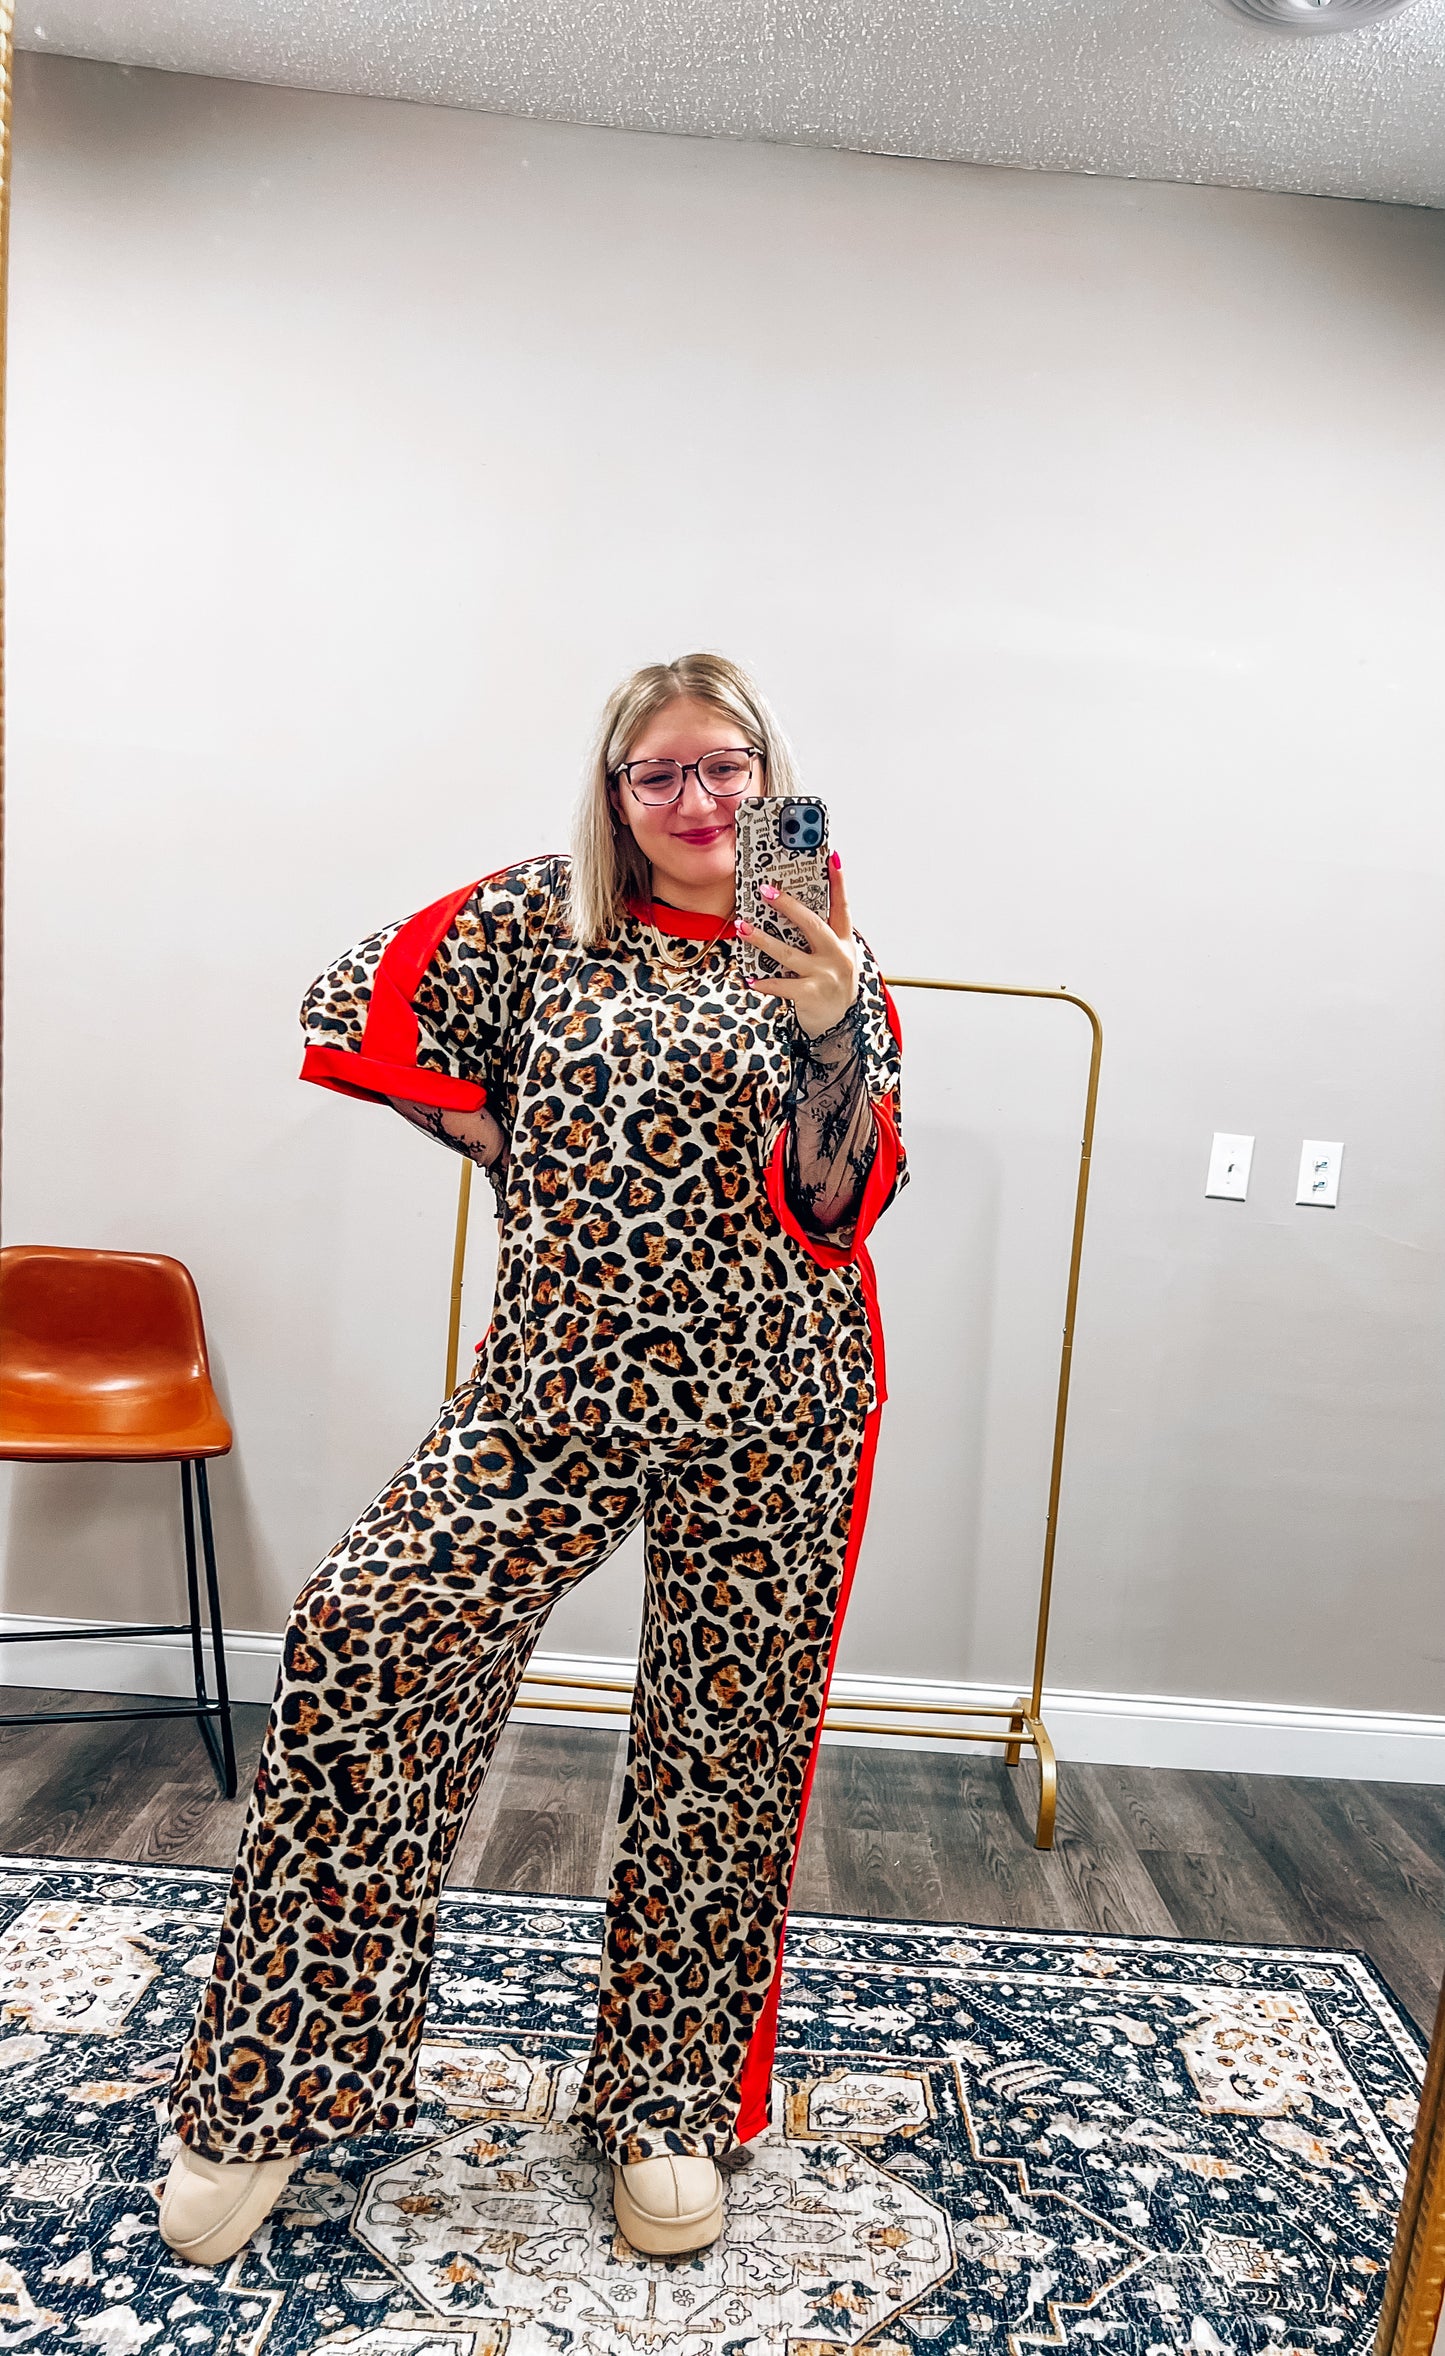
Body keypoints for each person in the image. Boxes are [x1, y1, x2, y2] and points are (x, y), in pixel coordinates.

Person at [160, 651, 907, 2266]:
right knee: (362, 1633)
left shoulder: (826, 956)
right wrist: (487, 1128)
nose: (702, 802)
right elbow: (354, 998)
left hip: (774, 1406)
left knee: (727, 1749)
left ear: (769, 776)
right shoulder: (534, 920)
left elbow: (845, 1203)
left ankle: (666, 2099)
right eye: (663, 775)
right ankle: (276, 2079)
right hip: (546, 1396)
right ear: (616, 792)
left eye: (730, 768)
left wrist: (834, 1024)